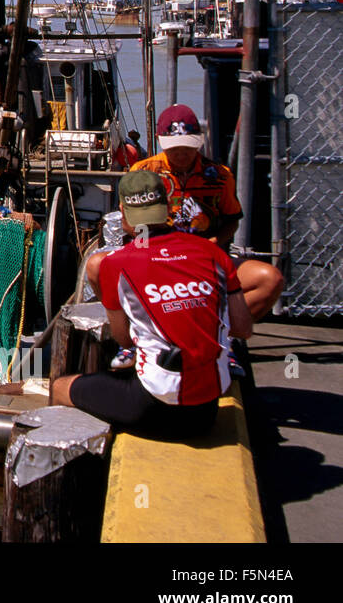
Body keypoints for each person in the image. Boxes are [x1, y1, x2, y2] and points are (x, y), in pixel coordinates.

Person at [51, 171, 253, 438]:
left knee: (60, 387)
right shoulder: (213, 252)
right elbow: (242, 327)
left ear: (122, 211)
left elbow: (124, 340)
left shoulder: (114, 264)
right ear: (168, 208)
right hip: (207, 408)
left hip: (153, 404)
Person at [130, 103, 283, 321]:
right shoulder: (142, 174)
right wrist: (146, 246)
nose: (182, 155)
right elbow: (130, 224)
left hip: (203, 257)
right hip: (157, 256)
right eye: (174, 149)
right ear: (159, 140)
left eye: (188, 148)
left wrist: (216, 240)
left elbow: (232, 220)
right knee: (100, 266)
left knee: (271, 279)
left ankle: (223, 331)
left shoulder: (220, 176)